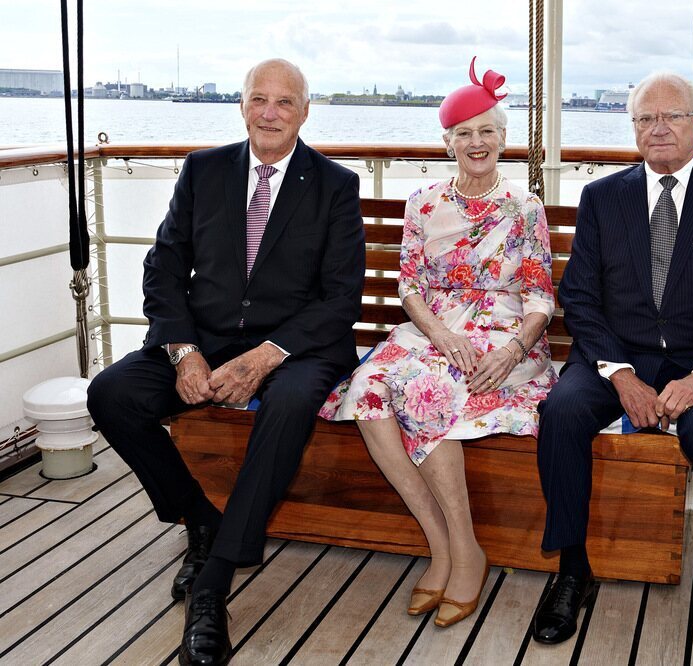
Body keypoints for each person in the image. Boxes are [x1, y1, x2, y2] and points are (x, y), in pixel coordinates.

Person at [86, 58, 365, 666]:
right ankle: (199, 517)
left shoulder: (335, 185)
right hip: (204, 338)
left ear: (305, 111)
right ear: (241, 106)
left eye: (284, 102)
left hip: (296, 346)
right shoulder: (204, 170)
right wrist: (184, 351)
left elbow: (341, 298)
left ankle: (211, 585)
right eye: (258, 99)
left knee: (290, 401)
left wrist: (266, 357)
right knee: (111, 393)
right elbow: (162, 268)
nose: (270, 112)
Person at [531, 73, 693, 666]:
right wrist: (620, 373)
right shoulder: (603, 198)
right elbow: (579, 297)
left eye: (672, 116)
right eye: (644, 119)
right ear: (632, 128)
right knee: (559, 411)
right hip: (616, 355)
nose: (658, 128)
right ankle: (572, 571)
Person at [320, 57, 557, 628]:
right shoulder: (423, 202)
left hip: (504, 336)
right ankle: (447, 545)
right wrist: (441, 332)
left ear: (504, 139)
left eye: (487, 132)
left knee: (427, 388)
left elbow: (541, 298)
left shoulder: (524, 208)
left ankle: (466, 550)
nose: (476, 143)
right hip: (437, 328)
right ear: (447, 141)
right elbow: (409, 286)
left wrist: (510, 351)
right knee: (371, 386)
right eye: (463, 134)